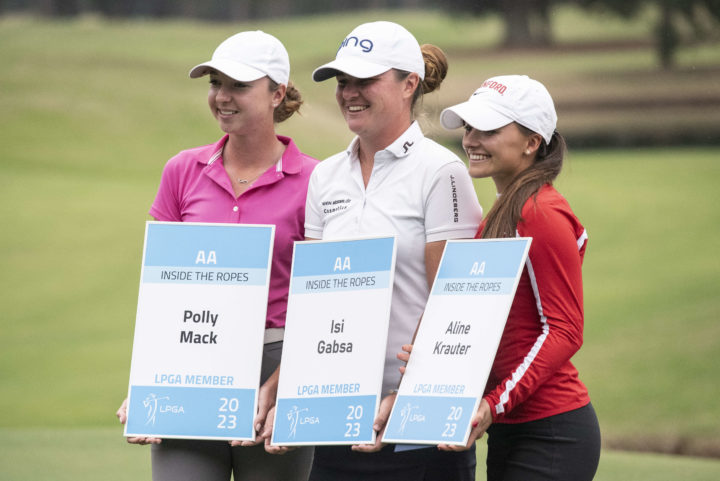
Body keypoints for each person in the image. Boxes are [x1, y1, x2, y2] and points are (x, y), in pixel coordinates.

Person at [115, 30, 318, 481]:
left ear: (277, 93)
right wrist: (149, 379)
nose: (222, 97)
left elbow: (320, 301)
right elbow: (164, 293)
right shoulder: (182, 170)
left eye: (239, 86)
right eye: (215, 84)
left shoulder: (316, 181)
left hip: (276, 367)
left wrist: (285, 382)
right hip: (192, 363)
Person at [303, 21, 483, 481]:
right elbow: (319, 304)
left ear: (409, 84)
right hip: (337, 420)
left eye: (365, 80)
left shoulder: (441, 172)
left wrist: (401, 397)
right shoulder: (325, 178)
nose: (349, 93)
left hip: (418, 425)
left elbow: (454, 309)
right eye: (343, 82)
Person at [427, 74, 601, 480]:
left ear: (531, 142)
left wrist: (493, 403)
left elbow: (563, 331)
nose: (470, 139)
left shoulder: (539, 212)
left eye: (487, 129)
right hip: (513, 428)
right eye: (469, 127)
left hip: (551, 431)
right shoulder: (506, 209)